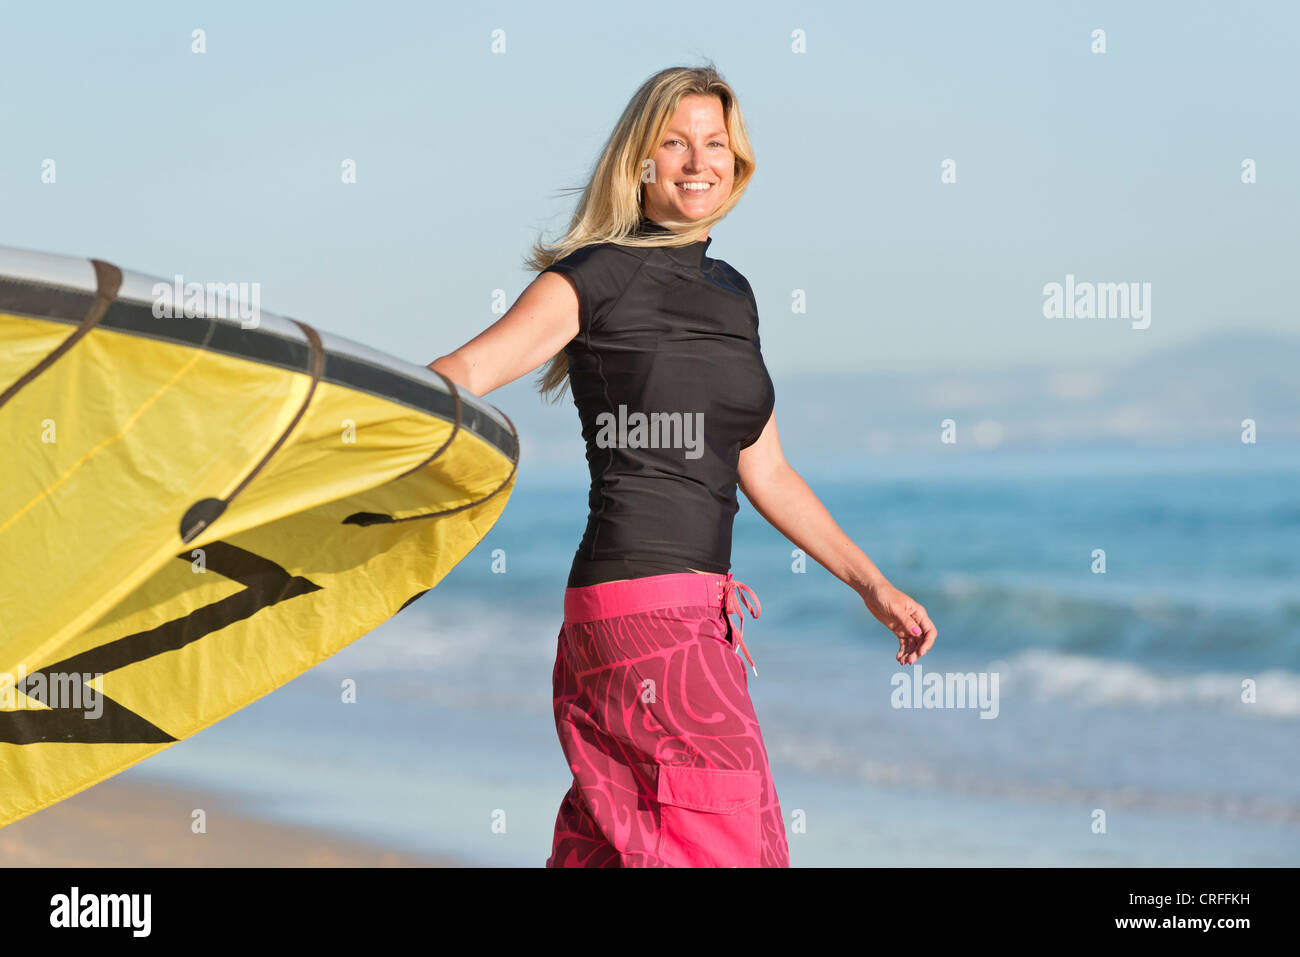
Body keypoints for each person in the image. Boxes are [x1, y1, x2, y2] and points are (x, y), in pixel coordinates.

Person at [428, 63, 938, 867]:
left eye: (715, 144)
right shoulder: (596, 275)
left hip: (695, 616)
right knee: (725, 840)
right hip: (642, 612)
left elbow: (764, 468)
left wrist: (872, 584)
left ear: (737, 165)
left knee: (616, 842)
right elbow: (461, 375)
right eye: (675, 142)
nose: (698, 162)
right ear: (640, 161)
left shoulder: (733, 295)